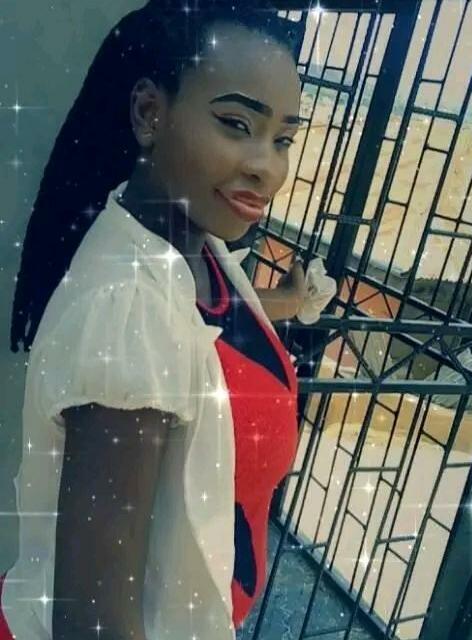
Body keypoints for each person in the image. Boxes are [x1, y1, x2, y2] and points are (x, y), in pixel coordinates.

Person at [5, 1, 306, 638]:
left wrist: (285, 304)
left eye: (283, 139)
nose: (267, 167)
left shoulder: (197, 245)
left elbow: (204, 335)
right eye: (236, 124)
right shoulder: (129, 312)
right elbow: (94, 625)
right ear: (149, 113)